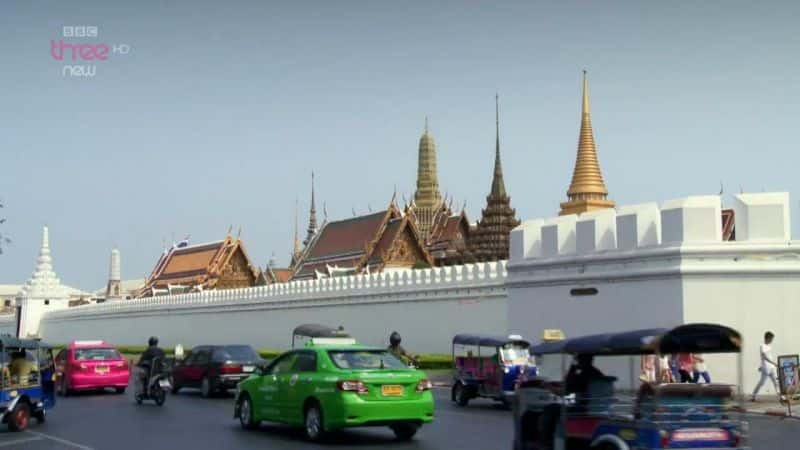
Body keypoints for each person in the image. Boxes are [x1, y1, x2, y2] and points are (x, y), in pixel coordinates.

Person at [751, 331, 779, 401]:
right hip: (766, 368)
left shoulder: (769, 346)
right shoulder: (762, 346)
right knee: (762, 383)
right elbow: (764, 357)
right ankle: (753, 396)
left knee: (776, 382)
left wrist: (773, 364)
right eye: (771, 339)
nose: (772, 340)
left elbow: (768, 356)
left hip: (772, 368)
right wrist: (773, 363)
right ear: (767, 338)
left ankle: (781, 397)